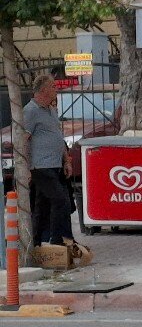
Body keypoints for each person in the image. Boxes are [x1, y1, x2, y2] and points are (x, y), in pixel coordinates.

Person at [24, 73, 75, 248]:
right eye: (53, 86)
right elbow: (24, 139)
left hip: (55, 164)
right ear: (44, 90)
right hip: (40, 166)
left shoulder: (51, 110)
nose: (56, 89)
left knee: (43, 206)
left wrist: (66, 160)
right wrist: (26, 167)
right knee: (60, 200)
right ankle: (57, 240)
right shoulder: (30, 111)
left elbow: (58, 137)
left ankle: (35, 243)